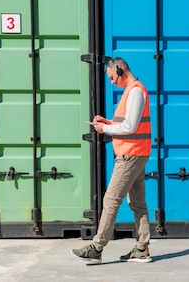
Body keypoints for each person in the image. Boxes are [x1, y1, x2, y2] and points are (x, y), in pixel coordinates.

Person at [72, 57, 152, 263]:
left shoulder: (134, 91)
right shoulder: (133, 90)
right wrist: (106, 122)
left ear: (120, 69)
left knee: (111, 200)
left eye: (111, 77)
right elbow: (126, 123)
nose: (111, 82)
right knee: (137, 203)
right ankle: (142, 248)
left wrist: (105, 129)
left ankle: (97, 247)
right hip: (136, 152)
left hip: (130, 155)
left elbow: (130, 127)